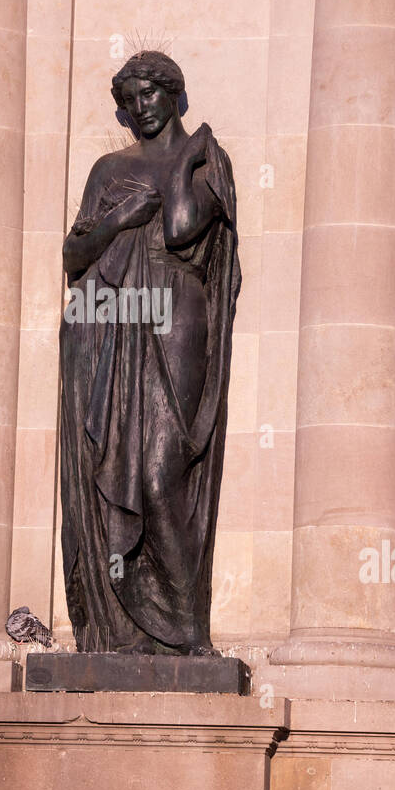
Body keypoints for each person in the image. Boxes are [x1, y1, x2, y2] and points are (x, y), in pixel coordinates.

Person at [60, 51, 240, 655]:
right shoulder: (108, 168)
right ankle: (122, 627)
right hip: (112, 322)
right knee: (111, 460)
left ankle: (188, 629)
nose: (140, 109)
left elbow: (183, 229)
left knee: (164, 470)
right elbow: (72, 255)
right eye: (129, 99)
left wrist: (184, 163)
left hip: (178, 309)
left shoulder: (207, 159)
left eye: (150, 95)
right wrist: (118, 221)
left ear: (175, 95)